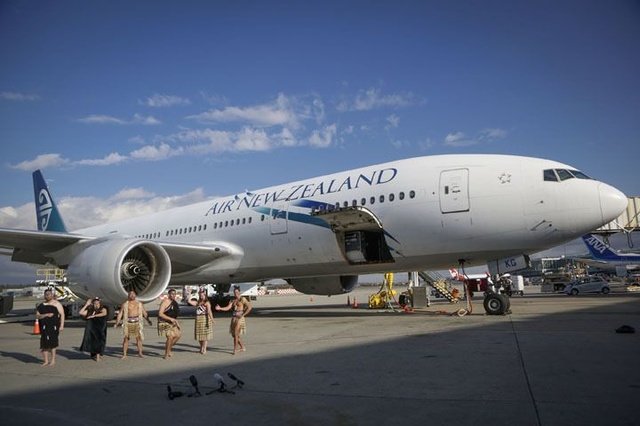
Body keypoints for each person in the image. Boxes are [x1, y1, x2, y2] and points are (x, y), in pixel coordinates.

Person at [114, 290, 152, 358]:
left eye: (133, 294)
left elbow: (144, 313)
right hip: (128, 322)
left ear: (135, 295)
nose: (132, 295)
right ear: (128, 295)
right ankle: (124, 354)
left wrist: (148, 320)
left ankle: (140, 353)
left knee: (139, 338)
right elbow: (120, 314)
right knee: (126, 338)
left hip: (137, 322)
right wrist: (116, 323)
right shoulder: (125, 304)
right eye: (130, 294)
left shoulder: (139, 303)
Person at [215, 286, 252, 355]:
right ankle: (242, 347)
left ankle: (235, 349)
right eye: (234, 292)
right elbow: (228, 307)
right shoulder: (233, 300)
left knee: (236, 333)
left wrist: (243, 315)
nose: (236, 293)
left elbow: (249, 307)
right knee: (234, 335)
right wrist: (220, 308)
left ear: (239, 292)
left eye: (237, 292)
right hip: (234, 318)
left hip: (239, 318)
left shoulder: (242, 299)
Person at [35, 288, 65, 366]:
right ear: (44, 295)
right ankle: (46, 361)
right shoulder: (41, 305)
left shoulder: (57, 304)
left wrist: (62, 325)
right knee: (44, 344)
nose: (47, 296)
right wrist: (46, 315)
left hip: (53, 327)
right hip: (44, 327)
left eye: (49, 294)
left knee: (52, 344)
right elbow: (37, 316)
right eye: (46, 294)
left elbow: (62, 314)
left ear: (52, 295)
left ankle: (53, 360)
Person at [188, 288, 214, 354]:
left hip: (205, 318)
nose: (201, 297)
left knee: (204, 335)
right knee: (199, 335)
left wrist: (212, 319)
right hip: (198, 319)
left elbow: (209, 311)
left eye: (202, 295)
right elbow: (189, 301)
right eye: (200, 295)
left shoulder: (207, 302)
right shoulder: (198, 302)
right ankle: (201, 347)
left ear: (205, 295)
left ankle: (204, 349)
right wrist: (190, 294)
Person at [158, 288, 181, 359]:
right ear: (169, 294)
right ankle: (166, 354)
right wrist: (170, 319)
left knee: (178, 335)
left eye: (174, 294)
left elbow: (174, 315)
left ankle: (168, 348)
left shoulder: (174, 302)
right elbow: (160, 314)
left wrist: (176, 322)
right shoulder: (165, 302)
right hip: (163, 322)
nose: (173, 295)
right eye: (172, 294)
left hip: (172, 322)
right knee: (170, 337)